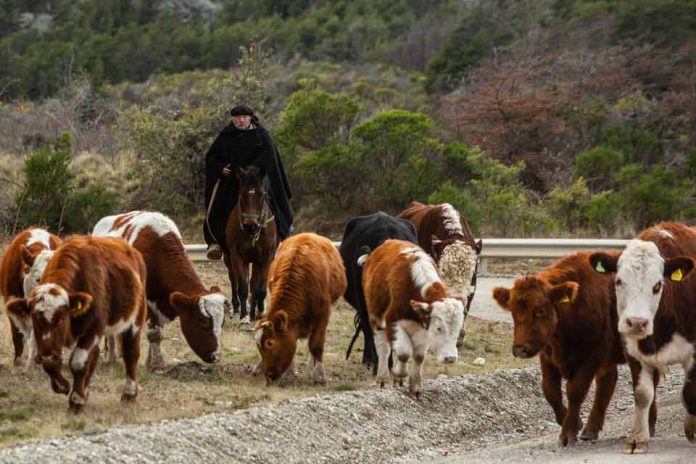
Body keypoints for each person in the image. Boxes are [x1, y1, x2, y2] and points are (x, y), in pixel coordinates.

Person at [203, 105, 293, 260]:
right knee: (218, 204)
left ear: (250, 118)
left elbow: (270, 156)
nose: (241, 120)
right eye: (238, 118)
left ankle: (285, 233)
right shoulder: (226, 135)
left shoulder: (262, 135)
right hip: (233, 180)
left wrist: (254, 169)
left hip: (258, 179)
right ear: (233, 119)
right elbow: (211, 157)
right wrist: (220, 168)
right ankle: (215, 241)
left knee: (275, 200)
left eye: (244, 117)